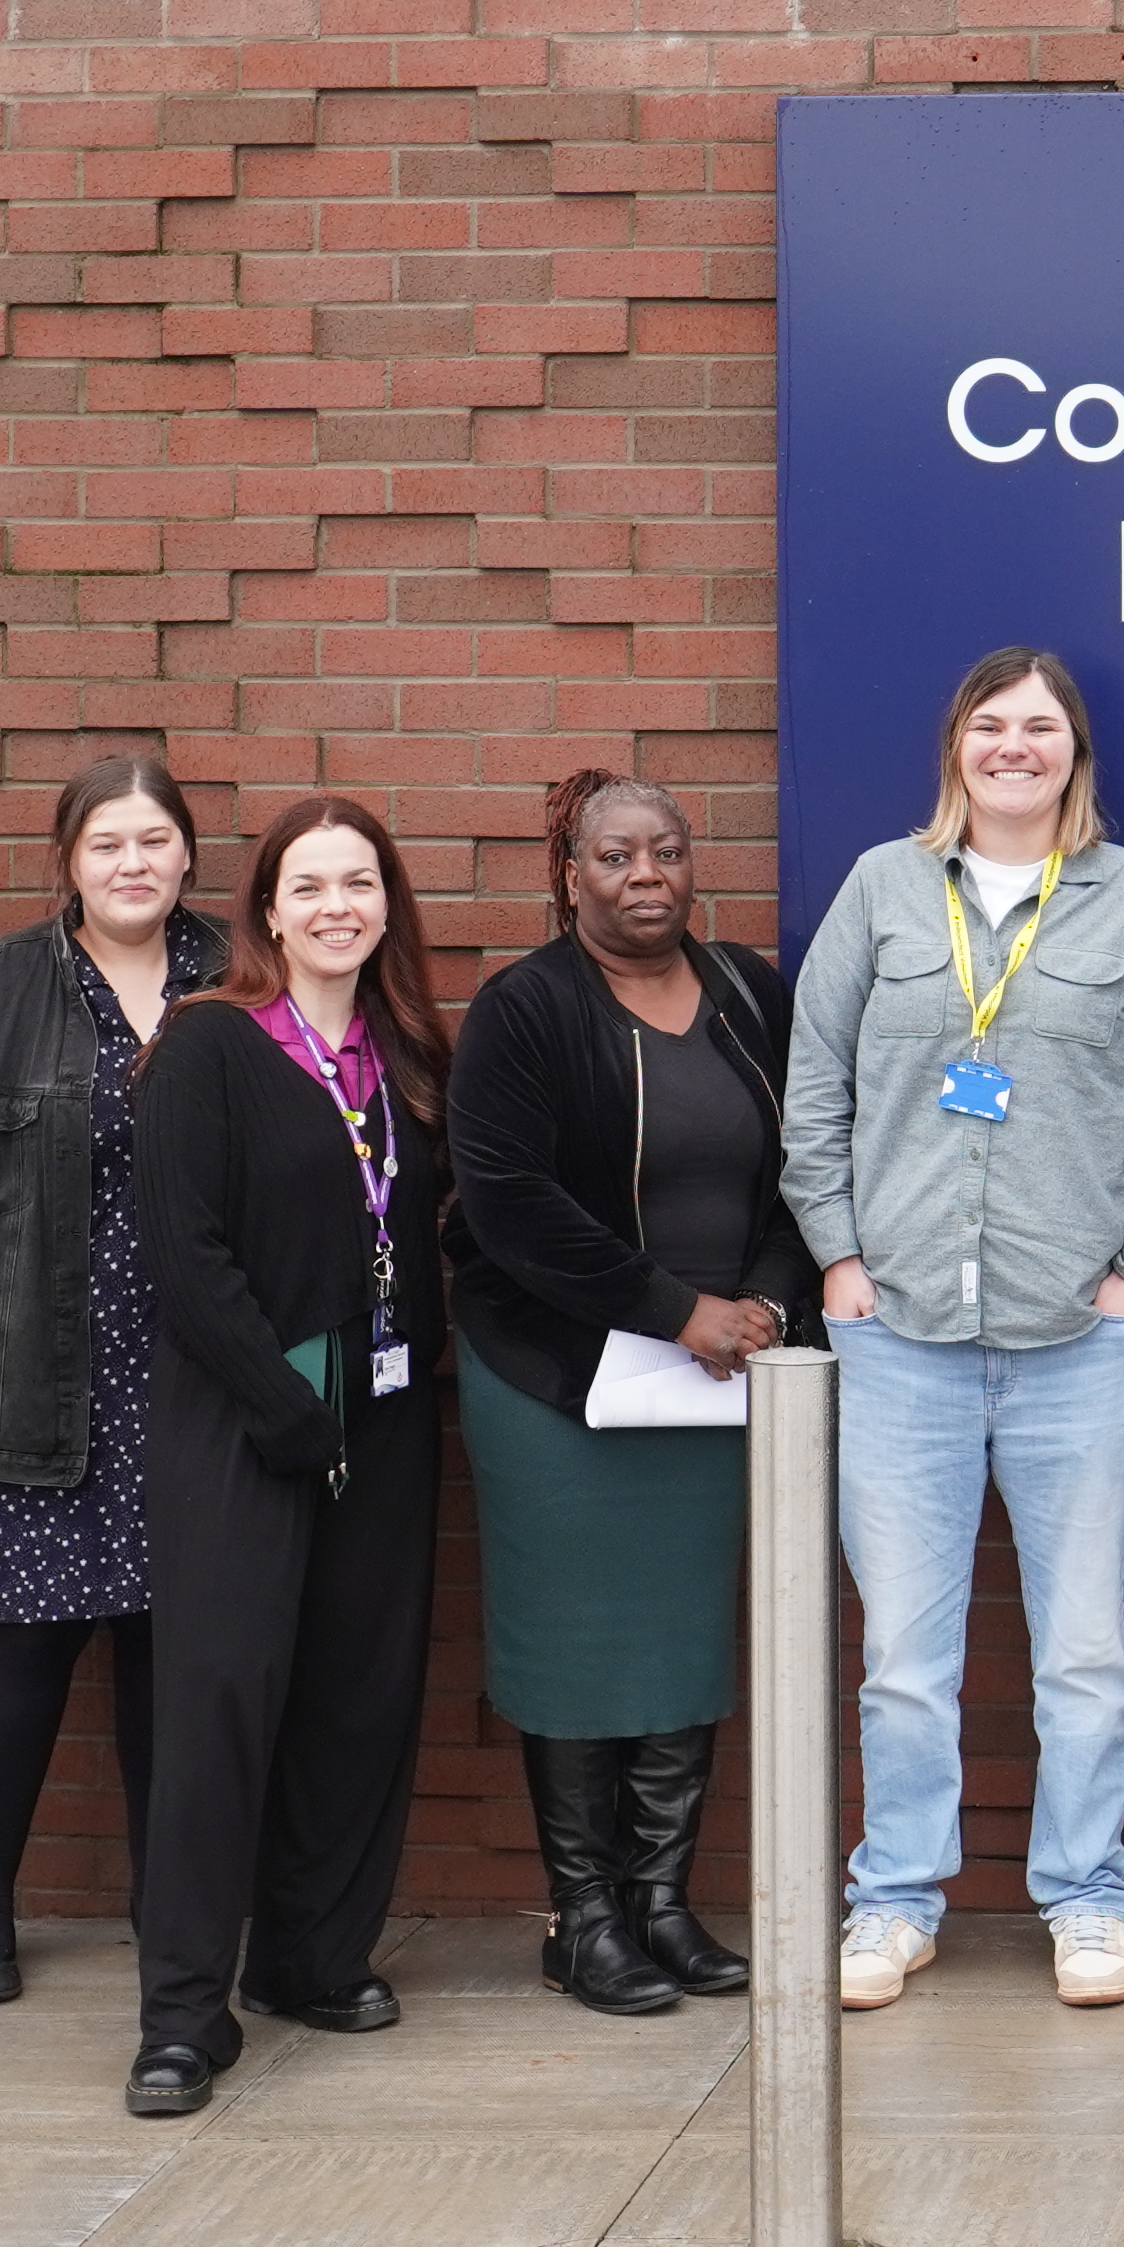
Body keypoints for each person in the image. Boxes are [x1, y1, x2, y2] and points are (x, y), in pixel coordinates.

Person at [780, 649, 1124, 2014]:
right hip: (899, 1330)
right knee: (903, 1657)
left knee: (1083, 1652)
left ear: (1075, 754)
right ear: (956, 745)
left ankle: (1088, 1900)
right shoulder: (882, 890)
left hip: (1076, 1340)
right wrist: (840, 1261)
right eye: (991, 724)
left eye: (1041, 727)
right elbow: (815, 1091)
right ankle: (894, 1902)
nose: (1014, 747)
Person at [449, 769, 807, 2019]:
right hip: (558, 1376)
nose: (644, 876)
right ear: (571, 874)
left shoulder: (751, 991)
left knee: (681, 1634)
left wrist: (761, 1296)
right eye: (615, 857)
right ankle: (583, 1916)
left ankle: (662, 1902)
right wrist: (677, 1308)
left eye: (665, 851)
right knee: (575, 1643)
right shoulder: (526, 1008)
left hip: (711, 1385)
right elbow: (505, 1201)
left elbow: (801, 1163)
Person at [119, 797, 456, 2115]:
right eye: (308, 886)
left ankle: (316, 1956)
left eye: (359, 883)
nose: (335, 907)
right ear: (265, 909)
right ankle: (183, 2015)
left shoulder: (408, 1051)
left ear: (387, 905)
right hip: (245, 1420)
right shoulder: (208, 1048)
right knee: (221, 1705)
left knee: (360, 1693)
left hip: (382, 1412)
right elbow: (183, 1254)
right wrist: (278, 1402)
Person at [0, 755, 226, 2007]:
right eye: (106, 846)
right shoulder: (3, 987)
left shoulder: (234, 978)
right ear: (69, 863)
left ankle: (164, 1901)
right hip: (25, 1376)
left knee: (164, 1655)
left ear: (187, 854)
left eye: (154, 841)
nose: (132, 864)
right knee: (20, 1653)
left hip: (189, 1381)